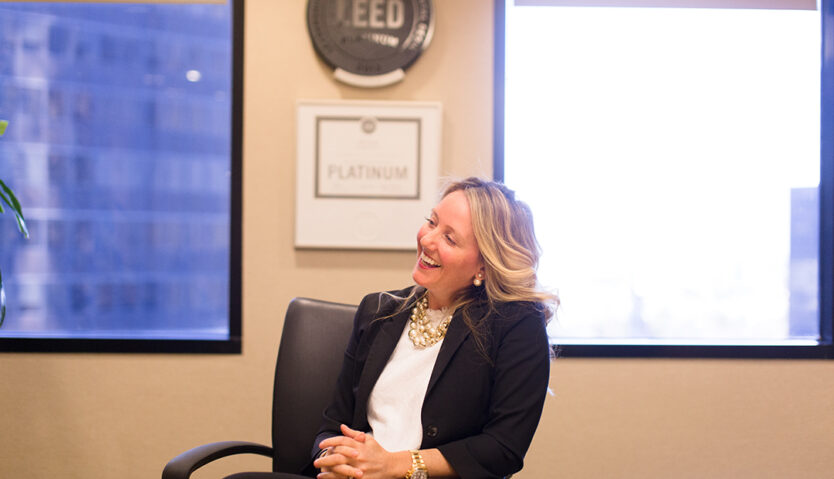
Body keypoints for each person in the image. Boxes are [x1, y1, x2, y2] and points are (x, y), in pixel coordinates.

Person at [309, 177, 558, 479]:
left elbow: (503, 448)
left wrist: (396, 466)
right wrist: (336, 460)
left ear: (484, 265)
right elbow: (333, 424)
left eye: (450, 239)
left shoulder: (516, 325)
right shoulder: (376, 312)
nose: (427, 240)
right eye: (432, 222)